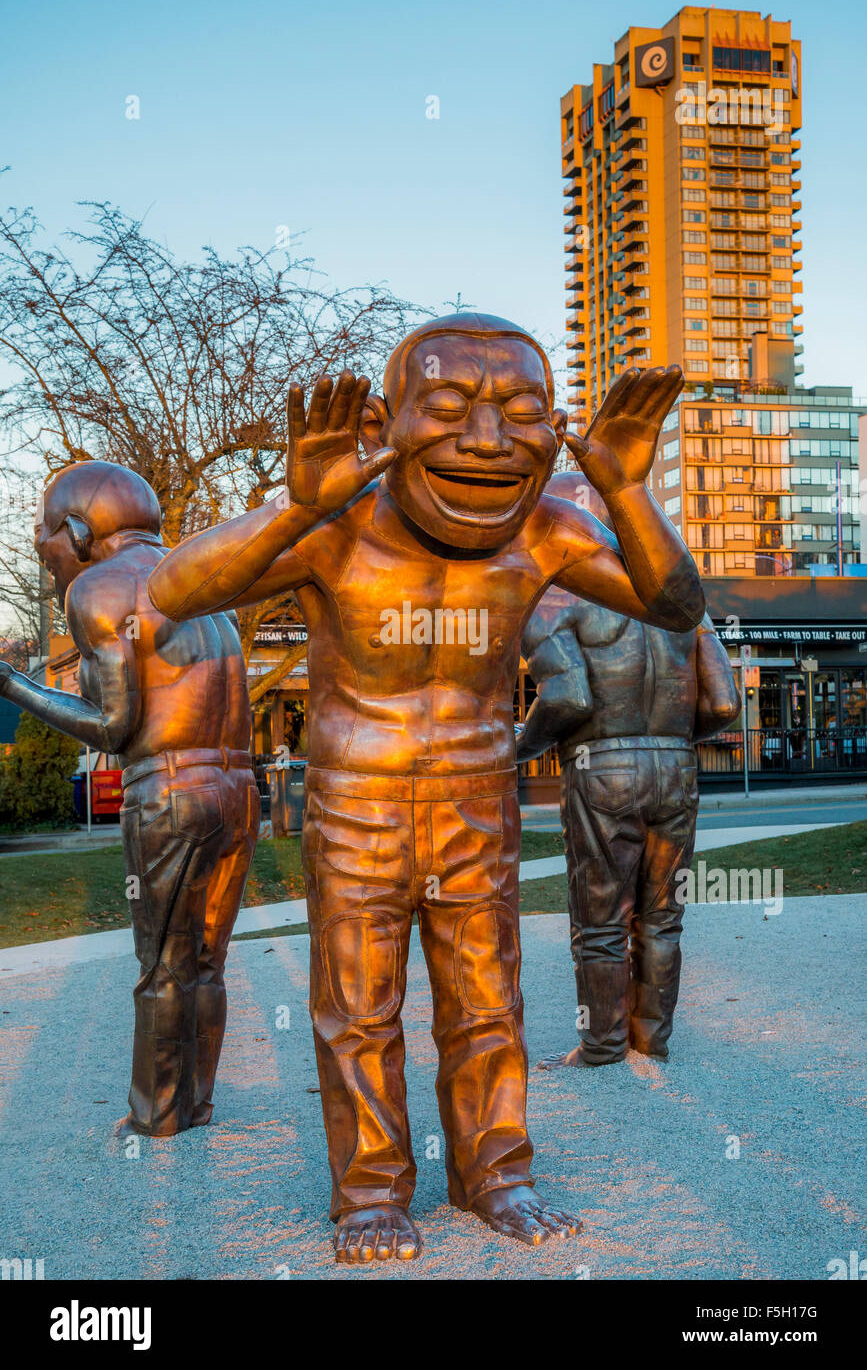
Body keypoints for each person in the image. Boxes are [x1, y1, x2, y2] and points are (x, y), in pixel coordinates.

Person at [148, 312, 705, 1262]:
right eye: (446, 408)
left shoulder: (545, 527)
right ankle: (369, 1193)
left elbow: (674, 603)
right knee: (358, 1009)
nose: (487, 440)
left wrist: (622, 485)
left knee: (487, 1003)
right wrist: (296, 507)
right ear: (384, 421)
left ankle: (498, 1174)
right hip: (357, 801)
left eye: (523, 412)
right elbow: (174, 589)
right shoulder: (335, 528)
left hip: (475, 800)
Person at [0, 462, 259, 1136]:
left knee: (163, 967)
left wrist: (14, 686)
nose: (49, 561)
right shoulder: (202, 582)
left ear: (79, 532)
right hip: (238, 790)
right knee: (207, 961)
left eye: (46, 543)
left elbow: (113, 726)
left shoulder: (101, 588)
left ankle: (156, 1116)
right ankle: (195, 1101)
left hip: (169, 792)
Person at [517, 472, 740, 1066]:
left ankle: (603, 1044)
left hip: (602, 765)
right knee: (663, 917)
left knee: (600, 920)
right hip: (678, 767)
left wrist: (518, 748)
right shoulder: (679, 601)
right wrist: (666, 742)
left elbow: (567, 699)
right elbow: (723, 704)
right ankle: (652, 1039)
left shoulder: (556, 598)